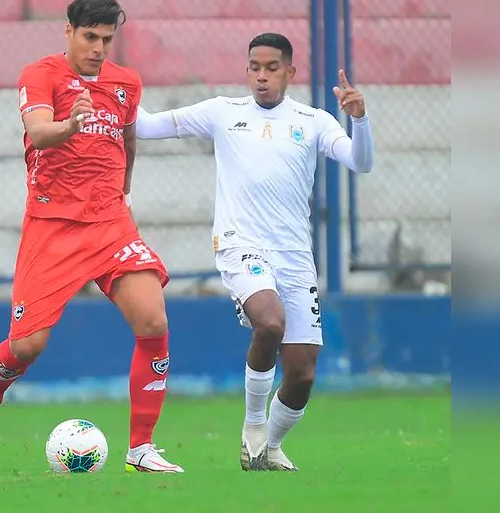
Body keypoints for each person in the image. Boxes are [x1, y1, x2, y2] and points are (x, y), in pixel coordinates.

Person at [0, 0, 183, 474]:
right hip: (53, 226)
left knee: (153, 321)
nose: (98, 48)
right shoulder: (41, 75)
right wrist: (69, 124)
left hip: (111, 221)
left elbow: (128, 139)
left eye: (107, 39)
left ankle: (141, 448)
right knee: (28, 346)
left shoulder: (126, 83)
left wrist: (126, 191)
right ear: (68, 31)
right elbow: (37, 132)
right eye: (89, 37)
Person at [135, 33, 375, 471]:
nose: (261, 77)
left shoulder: (314, 120)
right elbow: (148, 126)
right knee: (269, 321)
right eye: (254, 68)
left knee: (302, 374)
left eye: (271, 68)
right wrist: (109, 92)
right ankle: (252, 428)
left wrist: (360, 121)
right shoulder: (223, 112)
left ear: (290, 71)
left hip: (295, 256)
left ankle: (272, 445)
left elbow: (361, 162)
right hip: (240, 244)